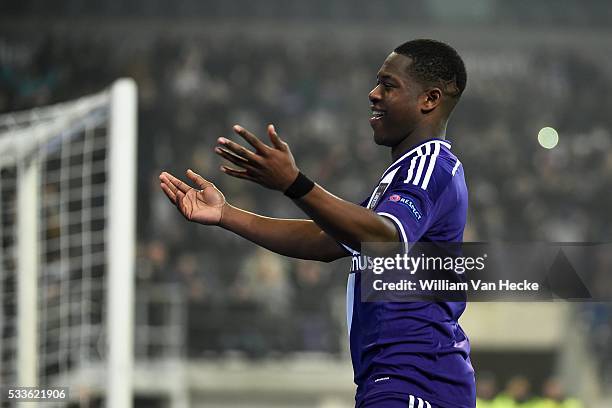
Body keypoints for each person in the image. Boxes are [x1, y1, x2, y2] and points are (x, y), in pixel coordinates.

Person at [159, 39, 474, 407]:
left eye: (388, 85)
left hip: (416, 380)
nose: (373, 94)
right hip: (397, 379)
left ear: (429, 100)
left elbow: (384, 239)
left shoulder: (429, 165)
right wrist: (227, 214)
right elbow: (325, 241)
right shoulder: (401, 177)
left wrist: (295, 184)